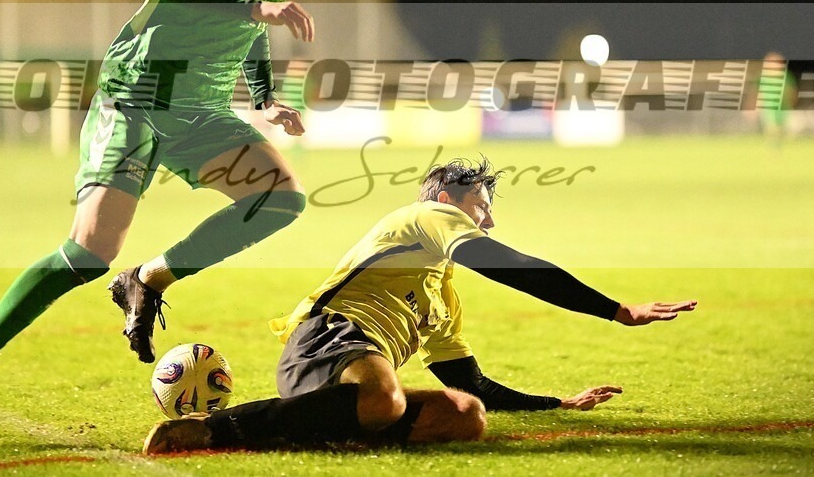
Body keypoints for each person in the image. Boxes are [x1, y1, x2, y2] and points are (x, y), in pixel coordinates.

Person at [0, 0, 361, 449]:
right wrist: (253, 6)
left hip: (200, 108)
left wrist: (268, 97)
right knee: (88, 252)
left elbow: (252, 29)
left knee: (281, 198)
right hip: (138, 94)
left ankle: (149, 278)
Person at [143, 158, 697, 453]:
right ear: (445, 200)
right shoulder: (423, 219)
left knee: (465, 416)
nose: (488, 220)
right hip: (326, 339)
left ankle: (330, 433)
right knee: (383, 398)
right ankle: (204, 431)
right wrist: (616, 310)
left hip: (347, 383)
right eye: (481, 206)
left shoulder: (439, 293)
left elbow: (470, 382)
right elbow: (515, 265)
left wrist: (558, 404)